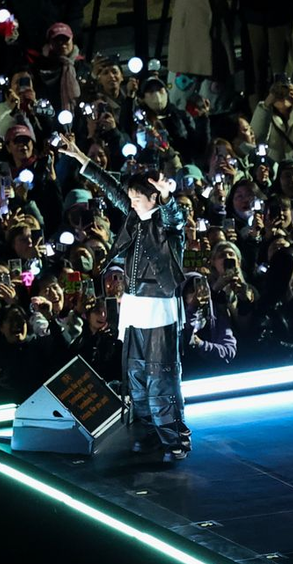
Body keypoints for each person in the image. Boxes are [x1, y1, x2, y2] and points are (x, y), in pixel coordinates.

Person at [60, 136, 190, 462]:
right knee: (136, 375)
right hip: (134, 304)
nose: (131, 202)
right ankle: (148, 433)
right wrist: (82, 158)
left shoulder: (167, 224)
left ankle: (174, 437)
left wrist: (167, 197)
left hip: (159, 306)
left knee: (161, 376)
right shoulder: (134, 217)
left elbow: (175, 216)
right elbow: (112, 189)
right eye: (131, 198)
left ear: (153, 198)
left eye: (137, 198)